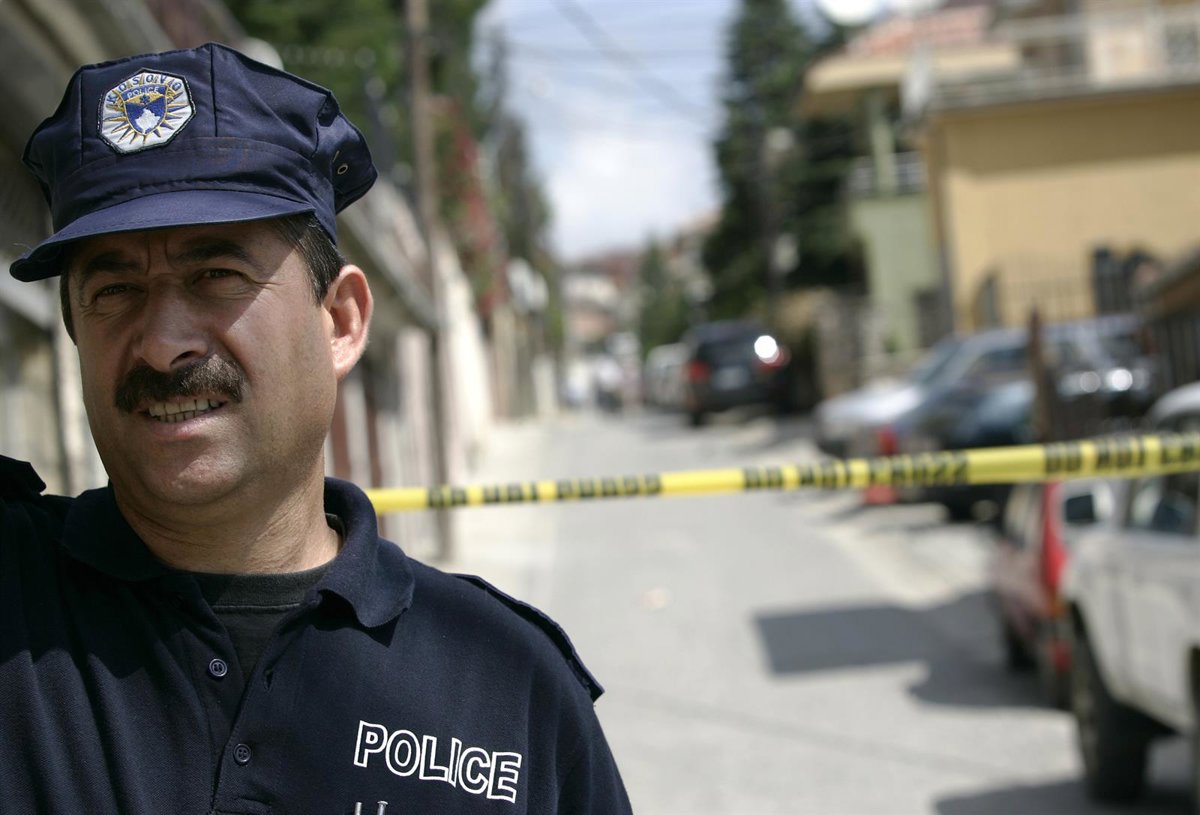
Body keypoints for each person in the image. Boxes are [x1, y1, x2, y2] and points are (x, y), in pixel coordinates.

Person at [0, 42, 632, 813]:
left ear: (341, 320)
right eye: (115, 291)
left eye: (216, 276)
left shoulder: (508, 686)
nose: (163, 344)